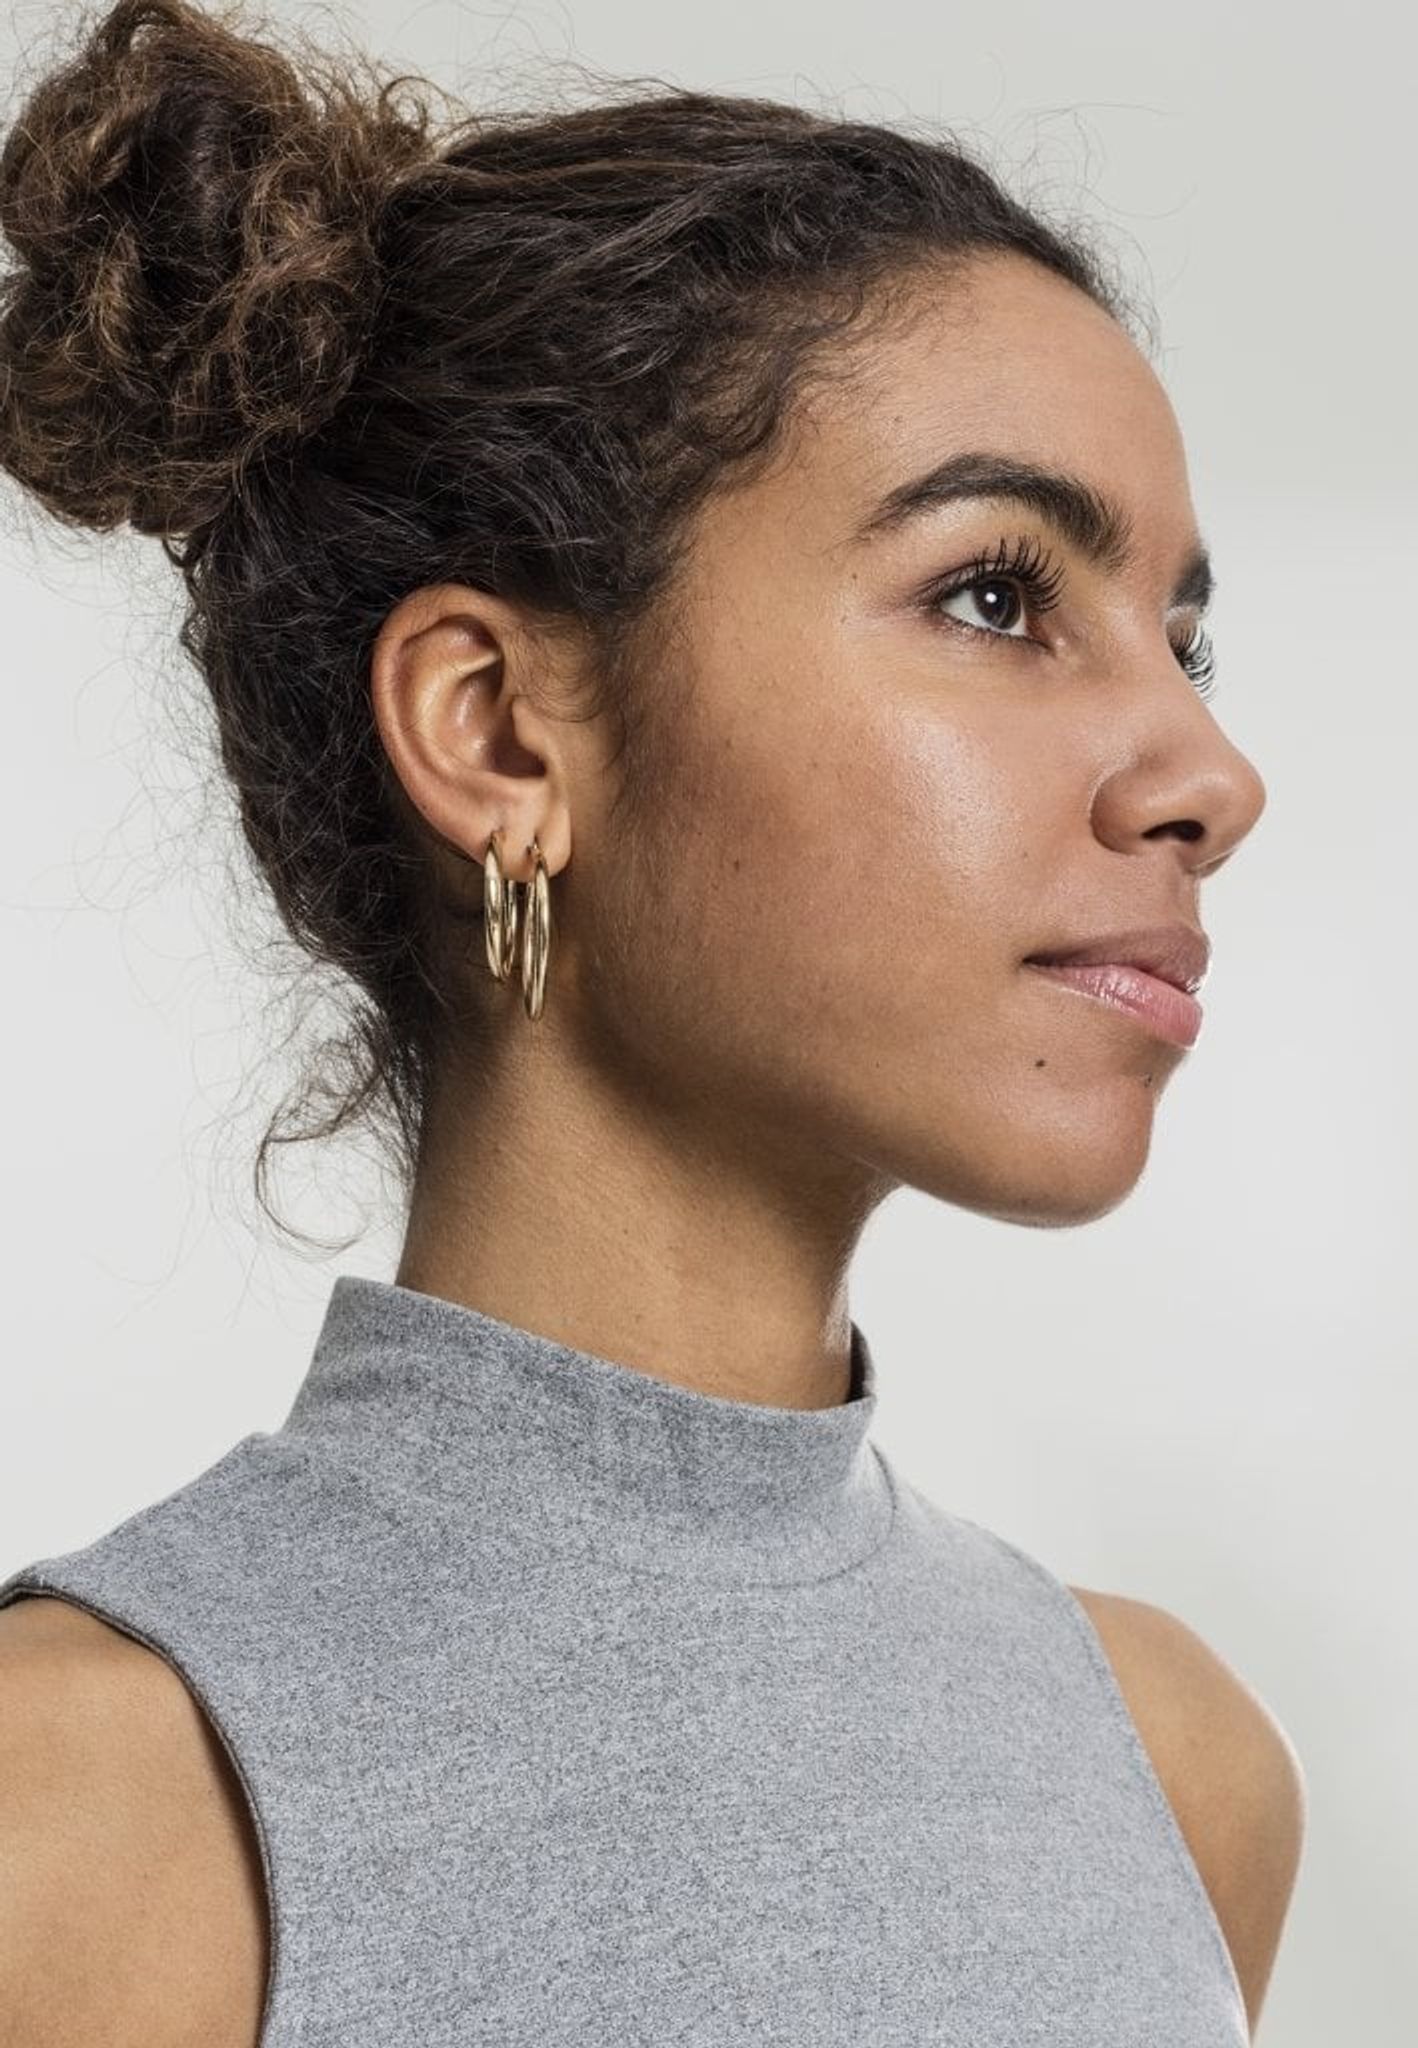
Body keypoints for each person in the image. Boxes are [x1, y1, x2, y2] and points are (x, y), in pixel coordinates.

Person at [0, 2, 1303, 2043]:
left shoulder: (1176, 1773)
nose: (1208, 774)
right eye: (994, 595)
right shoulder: (79, 1823)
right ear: (498, 733)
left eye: (1181, 638)